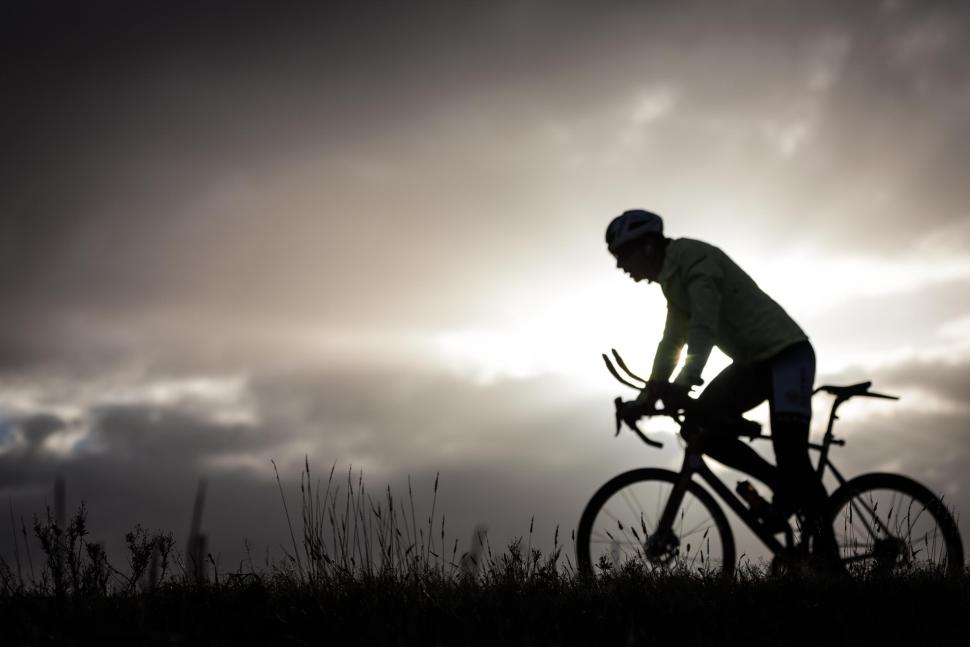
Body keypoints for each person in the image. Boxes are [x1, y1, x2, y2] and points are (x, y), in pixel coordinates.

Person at [605, 208, 841, 571]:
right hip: (754, 363)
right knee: (697, 427)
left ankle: (831, 565)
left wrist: (683, 383)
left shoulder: (693, 259)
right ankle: (784, 488)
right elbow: (672, 340)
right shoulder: (673, 279)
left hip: (787, 355)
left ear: (648, 246)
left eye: (623, 255)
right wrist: (648, 395)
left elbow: (704, 326)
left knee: (792, 455)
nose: (621, 266)